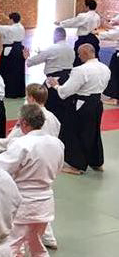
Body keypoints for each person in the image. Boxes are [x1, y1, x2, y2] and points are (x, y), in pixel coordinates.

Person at [0, 104, 64, 257]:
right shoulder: (57, 143)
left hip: (23, 202)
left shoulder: (21, 144)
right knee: (37, 245)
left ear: (24, 123)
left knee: (9, 248)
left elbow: (1, 168)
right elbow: (58, 168)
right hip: (45, 200)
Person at [0, 84, 60, 252]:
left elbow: (12, 143)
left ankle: (19, 248)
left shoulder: (27, 118)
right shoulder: (53, 118)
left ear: (31, 98)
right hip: (47, 165)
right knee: (41, 206)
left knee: (18, 208)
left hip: (27, 166)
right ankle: (48, 238)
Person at [46, 43, 110, 174]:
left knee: (74, 132)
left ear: (85, 53)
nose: (79, 57)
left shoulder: (81, 70)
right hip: (97, 103)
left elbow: (65, 92)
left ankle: (76, 165)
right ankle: (96, 162)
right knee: (94, 132)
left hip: (82, 104)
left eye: (80, 54)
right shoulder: (105, 68)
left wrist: (56, 85)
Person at [25, 27, 73, 119]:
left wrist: (27, 57)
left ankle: (48, 120)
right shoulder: (70, 48)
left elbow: (32, 62)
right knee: (64, 103)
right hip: (68, 78)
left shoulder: (51, 48)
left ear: (56, 36)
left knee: (46, 101)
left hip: (53, 79)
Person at [0, 12, 26, 99]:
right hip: (19, 50)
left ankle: (9, 92)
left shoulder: (9, 29)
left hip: (10, 51)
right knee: (18, 71)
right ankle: (19, 92)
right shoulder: (21, 27)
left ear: (12, 20)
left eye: (9, 19)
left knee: (6, 71)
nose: (8, 21)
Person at [58, 0, 101, 65]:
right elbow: (97, 26)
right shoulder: (97, 16)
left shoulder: (84, 16)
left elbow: (73, 22)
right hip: (94, 38)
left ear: (87, 7)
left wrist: (61, 23)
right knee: (93, 56)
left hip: (84, 39)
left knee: (79, 58)